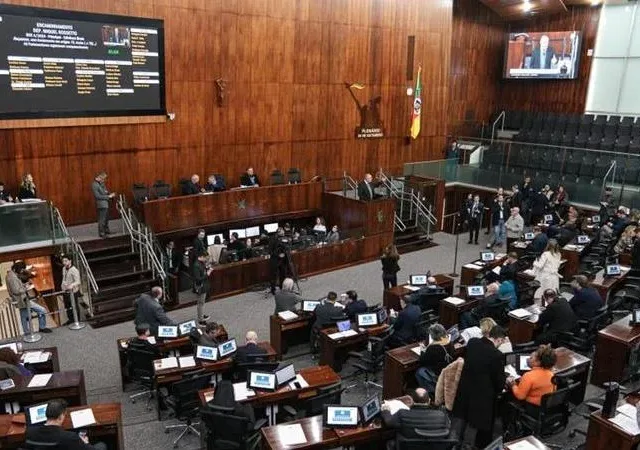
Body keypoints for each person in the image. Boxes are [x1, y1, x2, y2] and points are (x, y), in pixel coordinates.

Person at [452, 326, 508, 448]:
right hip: (481, 397)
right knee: (473, 426)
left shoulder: (473, 343)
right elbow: (498, 382)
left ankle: (451, 445)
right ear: (498, 339)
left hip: (464, 390)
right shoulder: (496, 355)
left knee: (458, 420)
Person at [25, 399, 107, 449]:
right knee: (101, 445)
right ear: (61, 417)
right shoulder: (69, 437)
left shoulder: (30, 432)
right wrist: (86, 443)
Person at [381, 388, 450, 439]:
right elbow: (447, 428)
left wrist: (386, 410)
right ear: (429, 401)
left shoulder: (403, 413)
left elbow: (389, 422)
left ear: (413, 400)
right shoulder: (441, 416)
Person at [508, 345, 557, 413]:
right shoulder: (551, 374)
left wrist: (513, 385)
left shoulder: (528, 376)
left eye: (531, 358)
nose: (527, 359)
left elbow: (520, 396)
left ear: (538, 362)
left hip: (533, 408)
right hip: (546, 407)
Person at [7, 262, 51, 334]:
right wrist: (27, 288)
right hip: (22, 299)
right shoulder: (12, 277)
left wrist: (24, 285)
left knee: (24, 316)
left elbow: (17, 287)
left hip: (21, 299)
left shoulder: (11, 275)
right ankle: (41, 328)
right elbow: (16, 290)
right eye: (21, 270)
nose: (21, 272)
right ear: (16, 269)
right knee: (41, 310)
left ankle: (27, 332)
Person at [416, 324, 454, 393]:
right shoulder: (450, 343)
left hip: (436, 373)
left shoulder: (433, 348)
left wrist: (422, 350)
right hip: (446, 371)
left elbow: (422, 361)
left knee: (419, 372)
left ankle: (431, 392)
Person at [91, 171, 116, 238]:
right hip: (101, 204)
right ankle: (101, 233)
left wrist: (110, 194)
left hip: (106, 203)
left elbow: (105, 191)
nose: (103, 180)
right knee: (102, 219)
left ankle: (106, 230)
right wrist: (108, 197)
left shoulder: (101, 184)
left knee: (106, 218)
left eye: (104, 178)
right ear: (97, 177)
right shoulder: (94, 185)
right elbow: (97, 196)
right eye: (102, 178)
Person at [60, 255, 82, 325]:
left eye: (66, 261)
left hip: (73, 292)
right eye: (63, 261)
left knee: (74, 306)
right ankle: (71, 319)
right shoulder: (63, 268)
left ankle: (77, 320)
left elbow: (78, 281)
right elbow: (64, 278)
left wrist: (72, 285)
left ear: (70, 261)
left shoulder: (74, 270)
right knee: (67, 306)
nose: (64, 262)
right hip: (65, 291)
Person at [193, 252, 213, 324]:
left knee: (202, 302)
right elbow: (198, 279)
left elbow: (203, 270)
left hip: (203, 286)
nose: (206, 259)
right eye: (205, 258)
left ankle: (201, 315)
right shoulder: (196, 265)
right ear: (201, 256)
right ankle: (200, 320)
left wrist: (207, 268)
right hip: (200, 287)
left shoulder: (201, 263)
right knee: (200, 303)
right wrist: (207, 274)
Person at [268, 227, 289, 294]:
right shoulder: (273, 239)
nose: (283, 234)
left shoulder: (285, 238)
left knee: (283, 274)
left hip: (283, 260)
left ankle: (282, 287)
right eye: (282, 233)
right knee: (274, 275)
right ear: (278, 232)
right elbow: (270, 251)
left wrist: (285, 253)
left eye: (283, 232)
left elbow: (287, 247)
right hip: (275, 260)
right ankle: (273, 289)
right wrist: (278, 255)